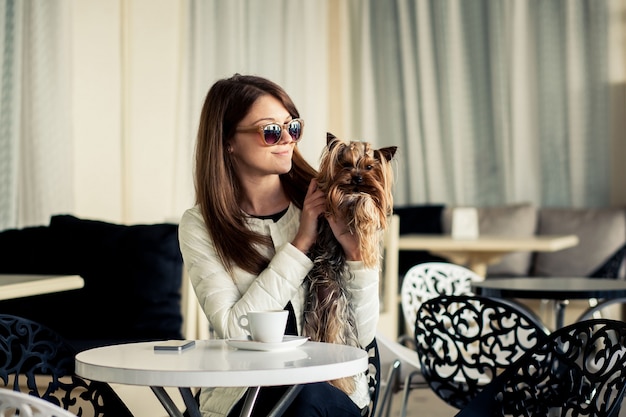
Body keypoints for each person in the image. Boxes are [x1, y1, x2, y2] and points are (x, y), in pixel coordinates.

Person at [178, 74, 379, 417]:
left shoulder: (336, 200)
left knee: (307, 396)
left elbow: (362, 333)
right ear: (228, 141)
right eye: (270, 130)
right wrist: (300, 244)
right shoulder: (201, 225)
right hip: (245, 399)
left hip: (329, 393)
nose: (287, 139)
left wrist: (358, 255)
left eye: (293, 127)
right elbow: (235, 328)